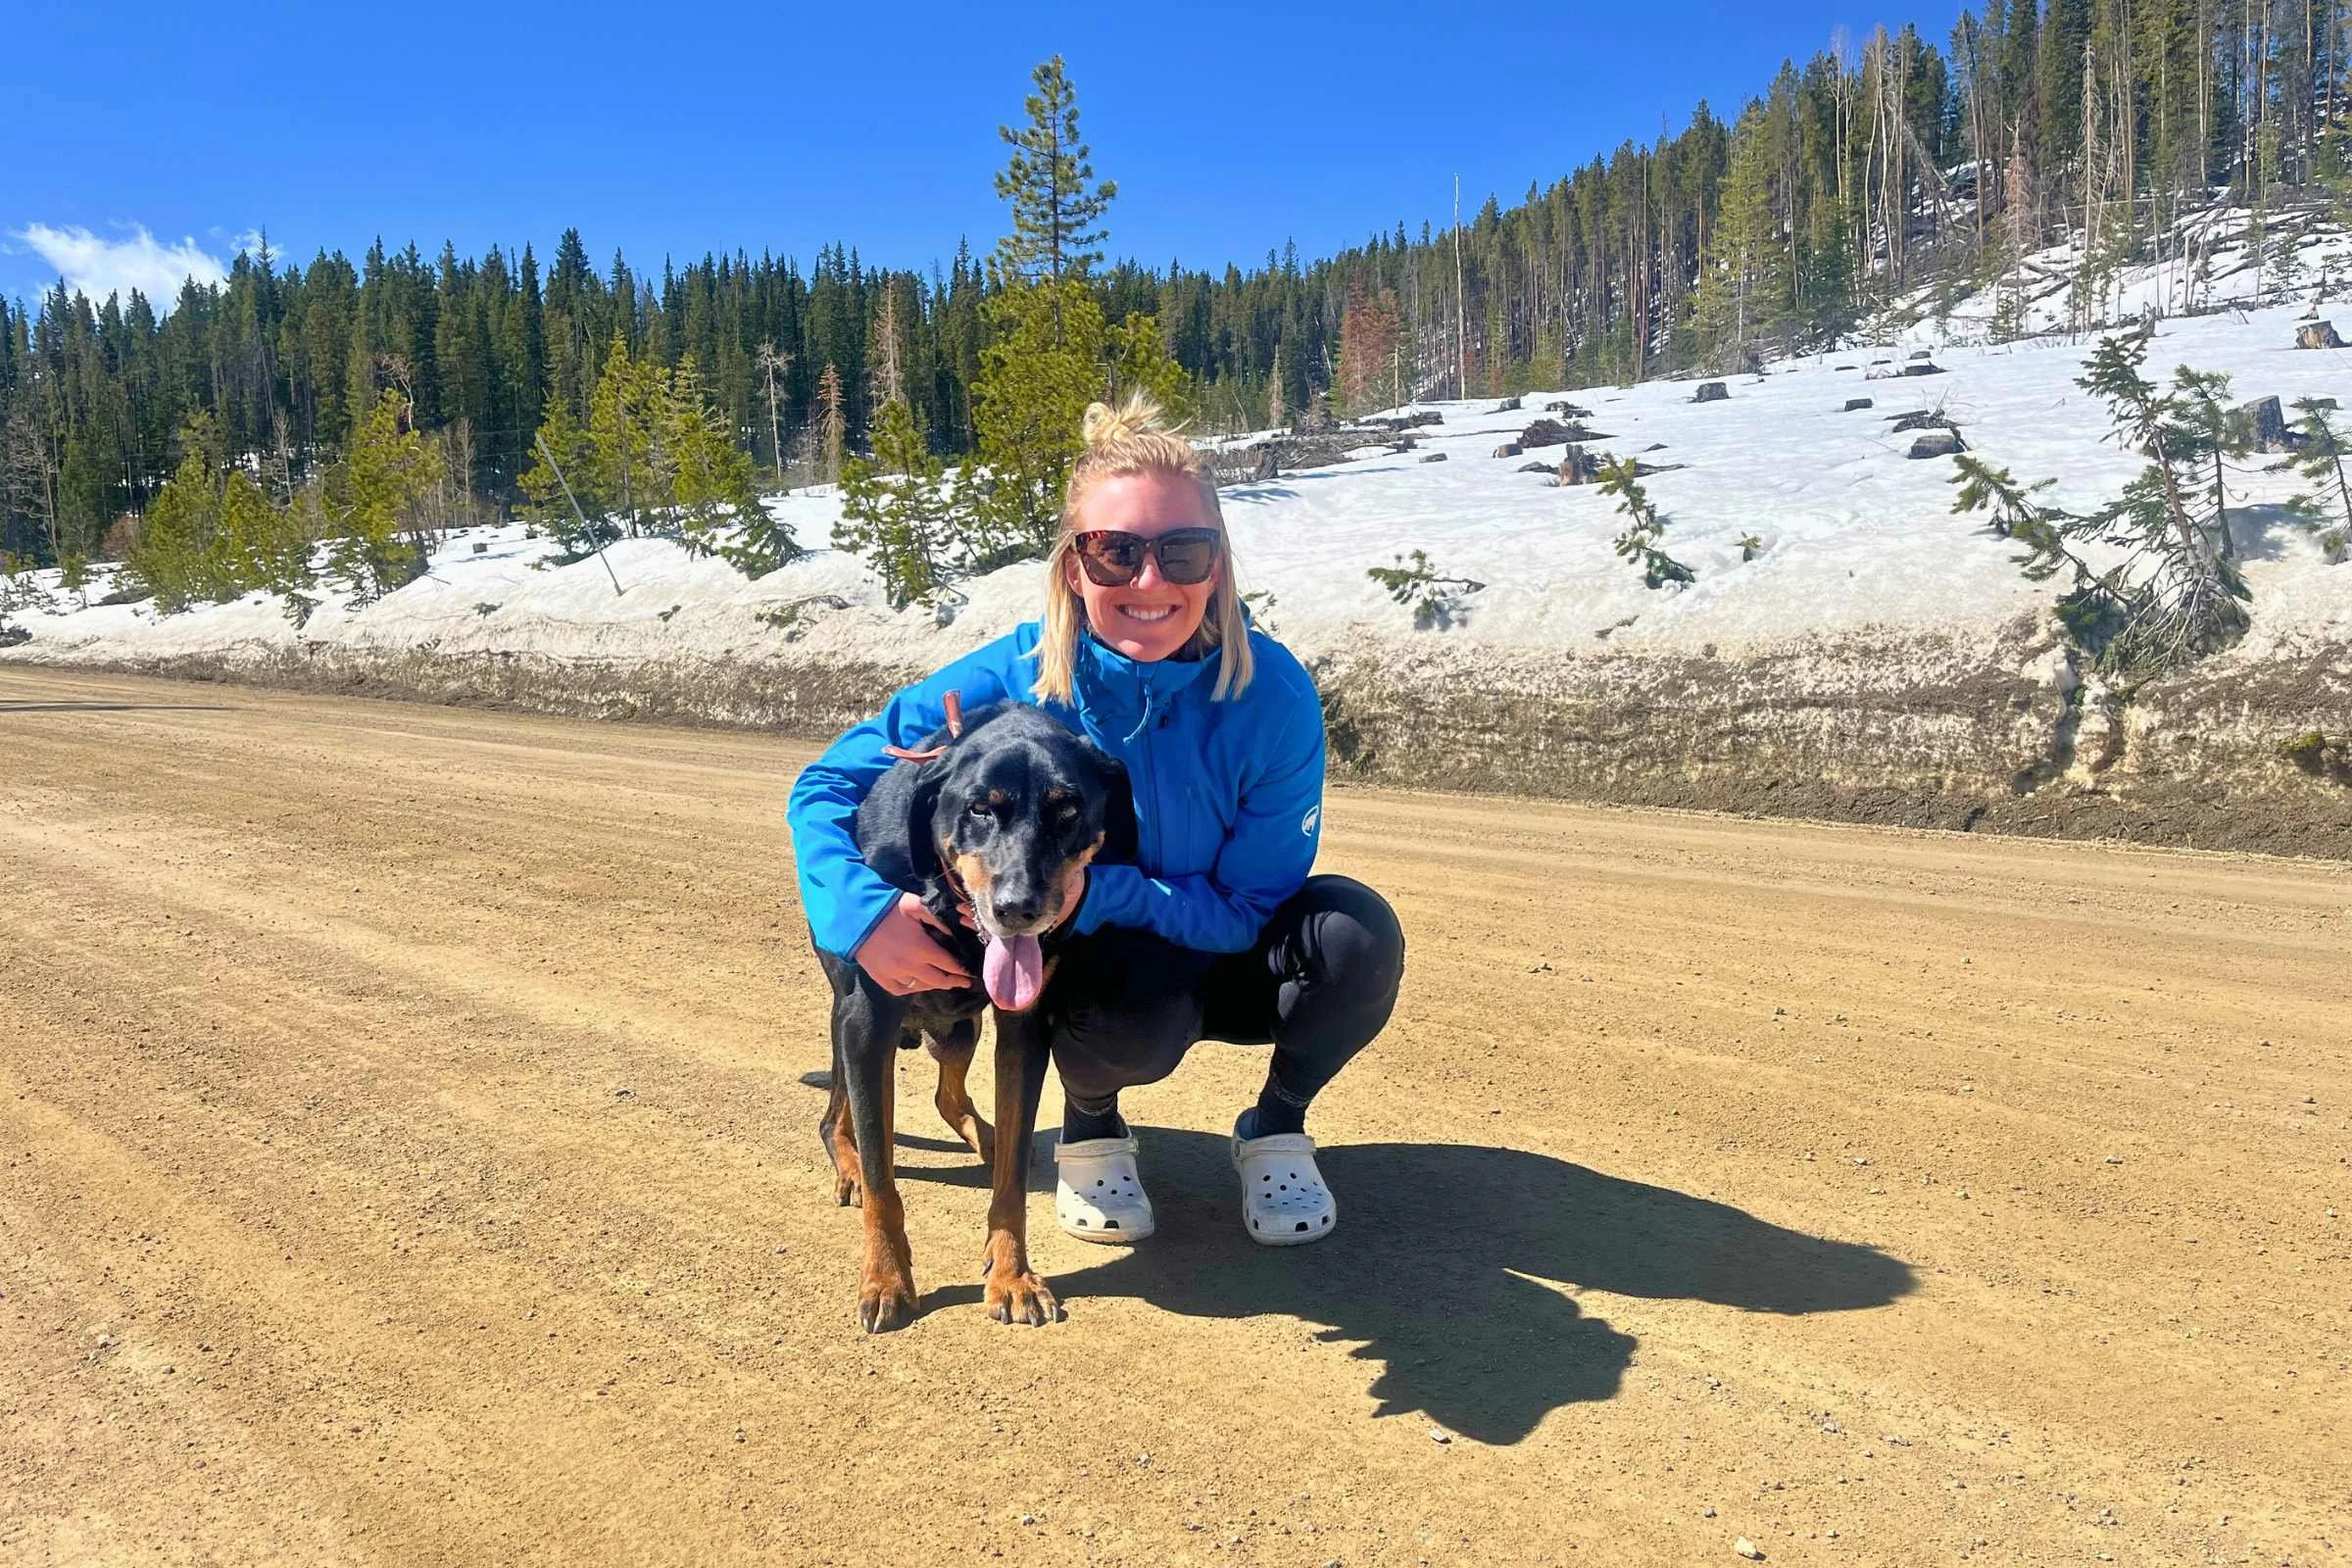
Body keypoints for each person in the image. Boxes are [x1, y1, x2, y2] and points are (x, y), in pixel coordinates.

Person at [788, 394, 1404, 1247]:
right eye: (1115, 553)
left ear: (1218, 567)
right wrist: (856, 913)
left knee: (1355, 936)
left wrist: (1106, 890)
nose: (1150, 582)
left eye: (1183, 551)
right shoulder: (1008, 679)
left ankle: (1275, 1129)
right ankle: (1091, 1125)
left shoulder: (1274, 696)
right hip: (1120, 966)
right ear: (1074, 567)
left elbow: (1251, 905)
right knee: (1119, 998)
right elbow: (823, 786)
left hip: (1215, 937)